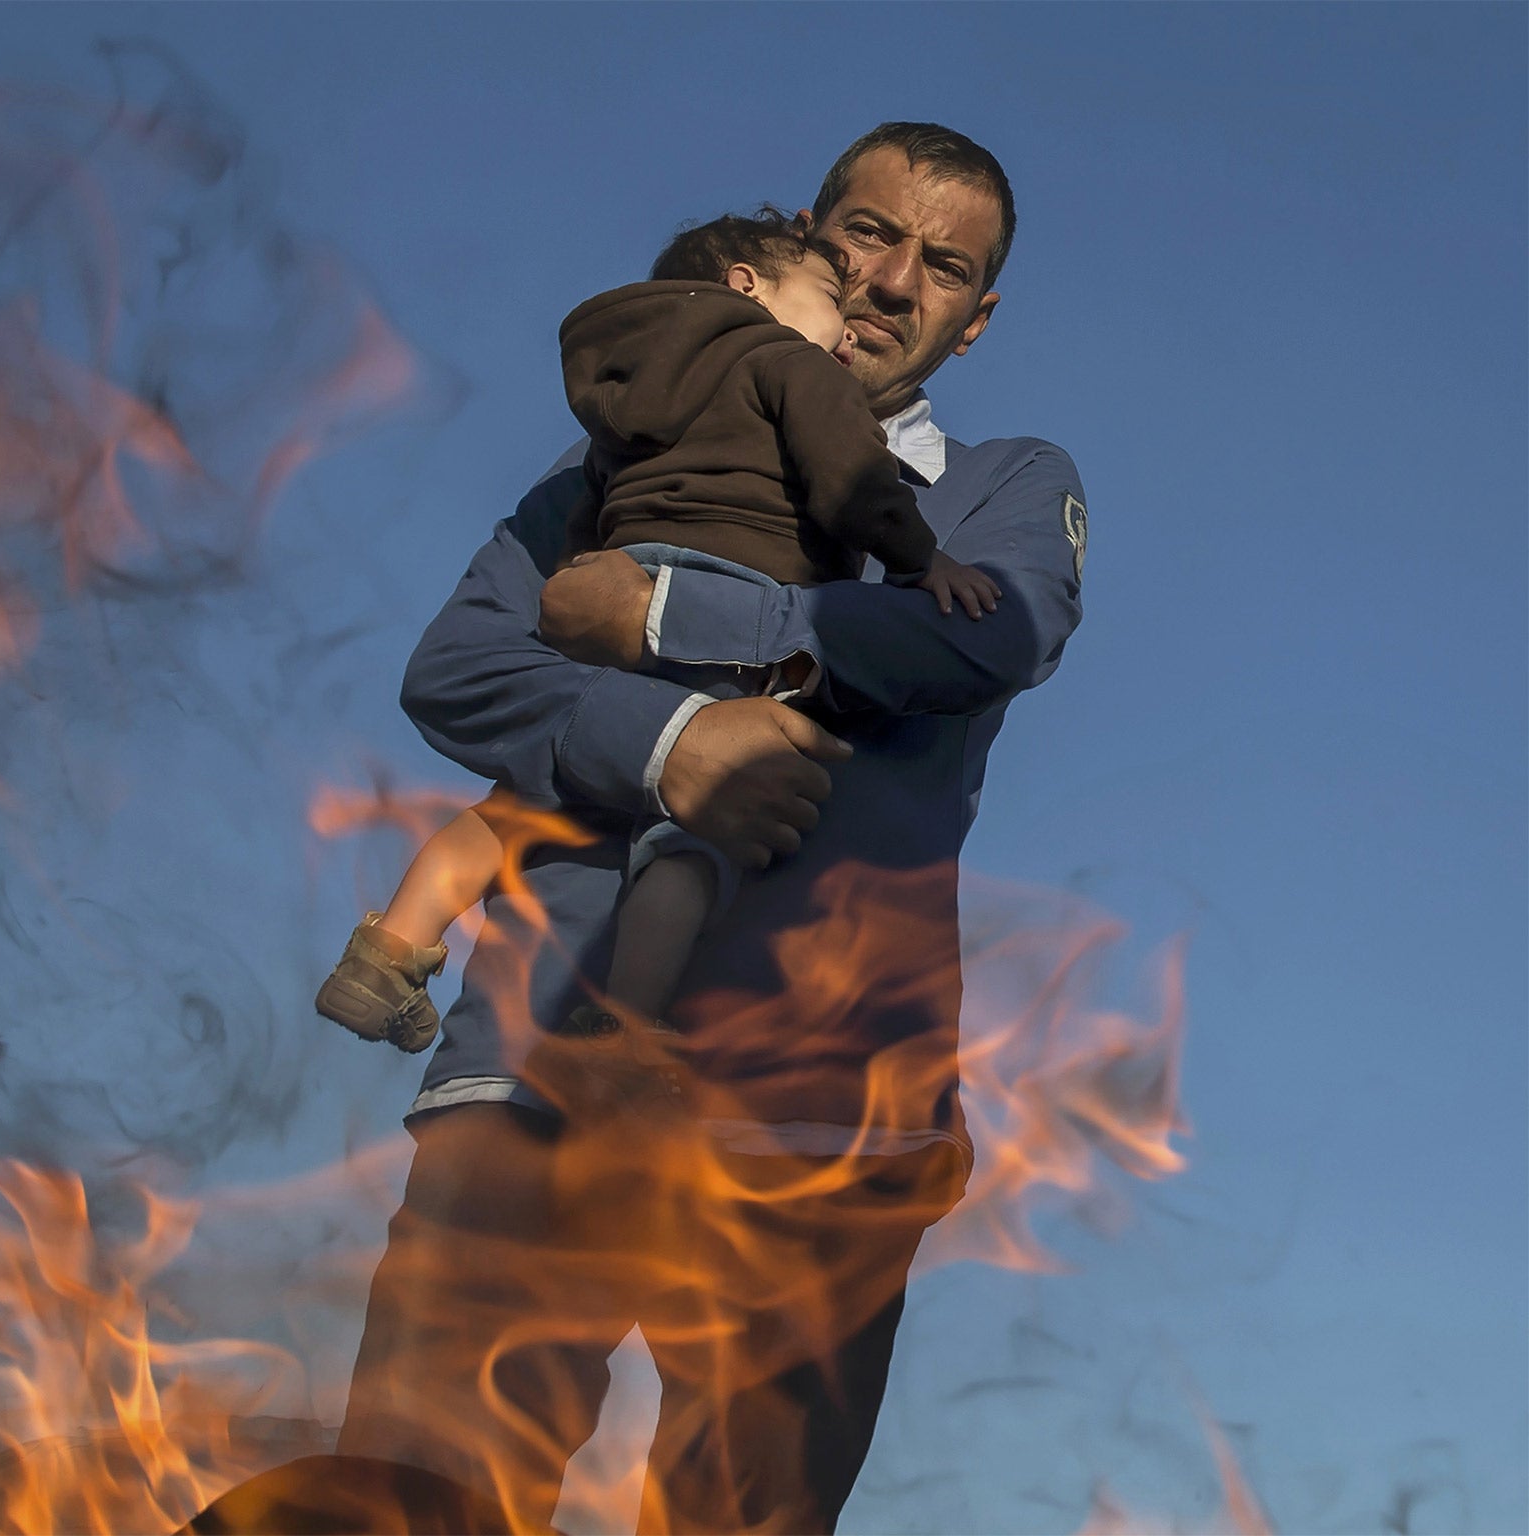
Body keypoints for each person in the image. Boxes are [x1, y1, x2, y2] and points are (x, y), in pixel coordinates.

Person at [338, 123, 1088, 1534]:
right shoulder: (617, 465)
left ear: (974, 322)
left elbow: (990, 641)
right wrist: (676, 743)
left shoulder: (1001, 487)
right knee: (407, 1500)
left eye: (942, 266)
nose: (887, 282)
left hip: (825, 1121)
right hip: (538, 1079)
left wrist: (673, 617)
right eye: (865, 234)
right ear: (802, 242)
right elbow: (462, 670)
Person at [313, 208, 999, 1055]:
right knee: (693, 838)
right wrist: (918, 556)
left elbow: (591, 508)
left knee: (519, 809)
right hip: (729, 595)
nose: (849, 314)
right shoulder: (786, 360)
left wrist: (584, 594)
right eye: (829, 291)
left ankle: (385, 951)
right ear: (748, 289)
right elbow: (850, 477)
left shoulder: (630, 394)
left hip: (613, 589)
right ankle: (629, 1030)